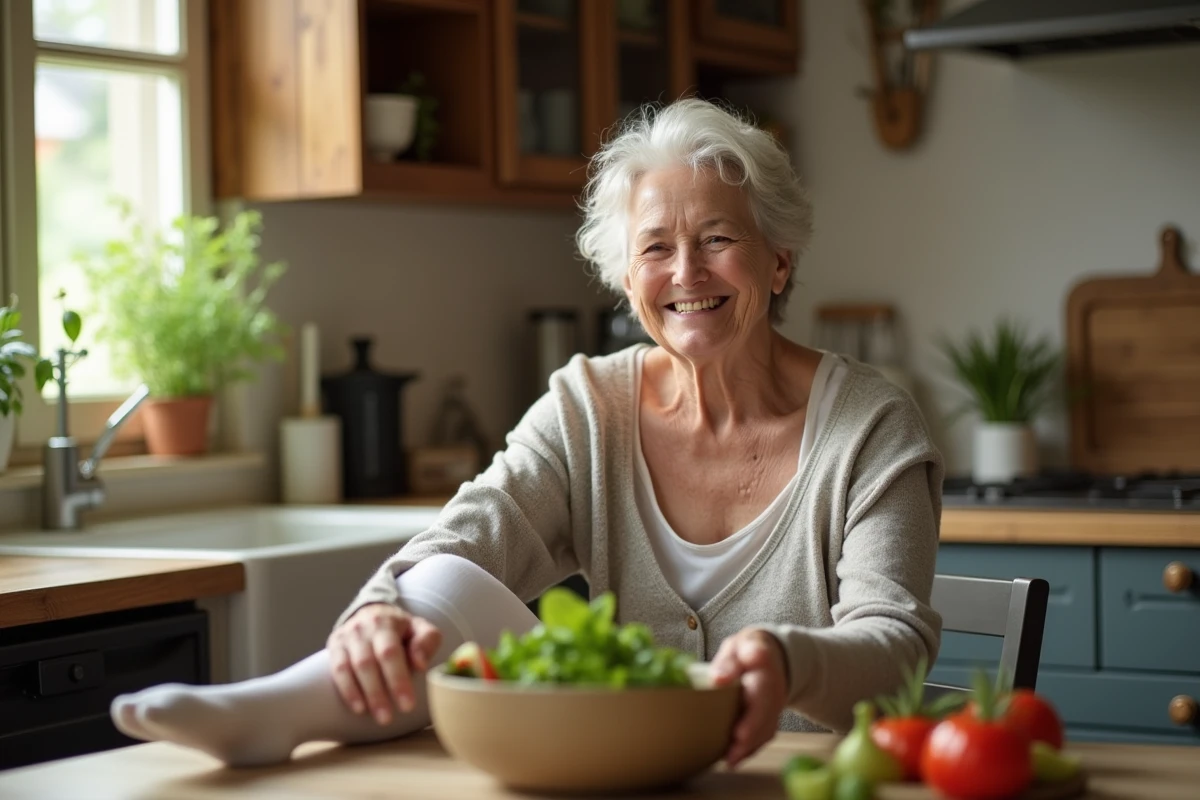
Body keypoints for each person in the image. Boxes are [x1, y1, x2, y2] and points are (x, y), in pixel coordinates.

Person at [111, 98, 943, 771]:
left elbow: (895, 646)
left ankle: (274, 712)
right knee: (445, 586)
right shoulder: (590, 405)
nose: (686, 273)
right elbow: (467, 540)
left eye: (718, 240)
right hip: (616, 770)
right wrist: (373, 609)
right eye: (656, 248)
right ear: (627, 278)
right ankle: (275, 713)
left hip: (796, 783)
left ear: (779, 261)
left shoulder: (870, 423)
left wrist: (789, 661)